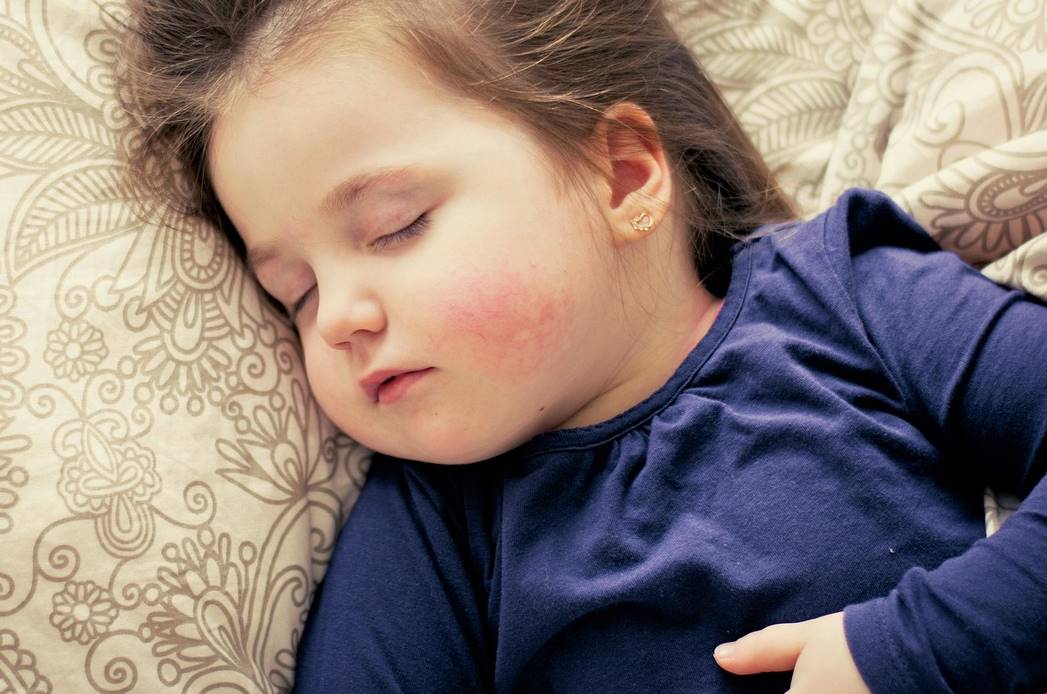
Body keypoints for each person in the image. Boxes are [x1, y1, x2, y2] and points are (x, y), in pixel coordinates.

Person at [115, 0, 1047, 691]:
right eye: (296, 293)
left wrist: (917, 651)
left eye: (395, 226)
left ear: (622, 176)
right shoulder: (434, 520)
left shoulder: (840, 298)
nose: (337, 319)